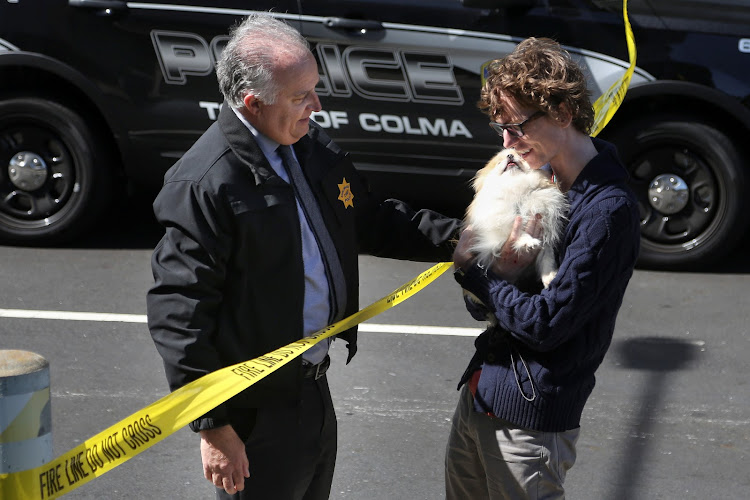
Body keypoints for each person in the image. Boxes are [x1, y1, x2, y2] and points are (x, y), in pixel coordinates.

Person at [146, 13, 459, 500]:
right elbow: (179, 312)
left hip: (312, 388)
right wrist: (212, 426)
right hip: (254, 414)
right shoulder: (206, 183)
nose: (317, 106)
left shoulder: (308, 146)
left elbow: (370, 216)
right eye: (300, 96)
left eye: (314, 89)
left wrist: (461, 240)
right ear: (253, 103)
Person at [446, 37, 641, 499]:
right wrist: (495, 274)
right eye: (501, 130)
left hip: (529, 424)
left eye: (516, 127)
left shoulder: (607, 211)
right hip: (481, 394)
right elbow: (484, 308)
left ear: (562, 113)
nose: (508, 145)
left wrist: (477, 274)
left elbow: (547, 324)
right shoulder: (537, 179)